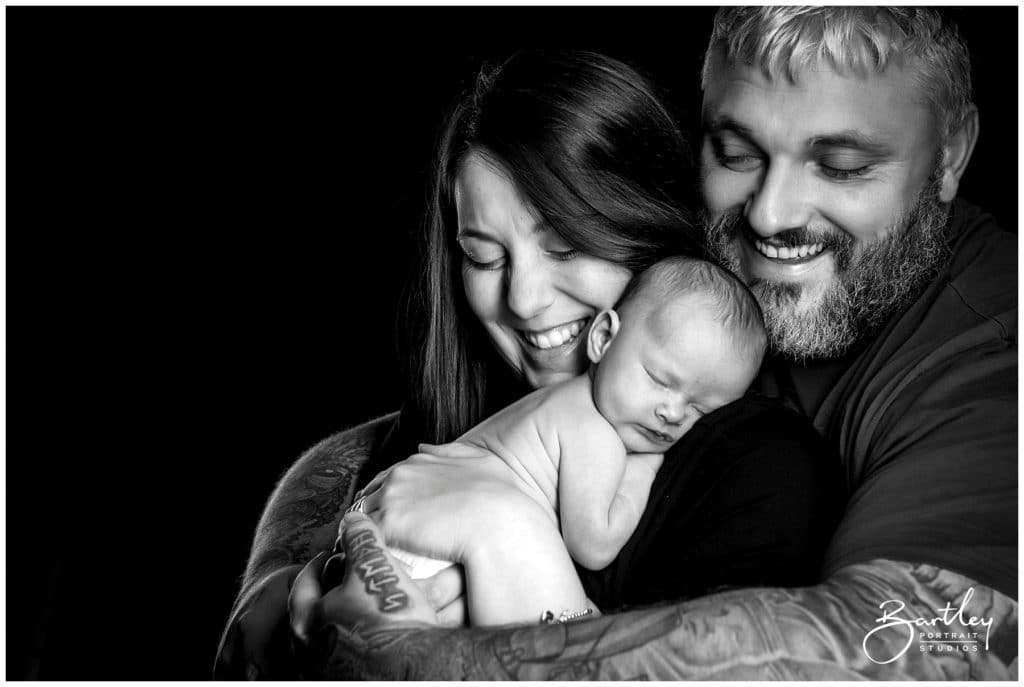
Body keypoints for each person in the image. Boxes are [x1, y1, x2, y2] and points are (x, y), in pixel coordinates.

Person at [273, 9, 1018, 679]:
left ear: (951, 154)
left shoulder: (987, 363)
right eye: (735, 151)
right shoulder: (693, 293)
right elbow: (385, 452)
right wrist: (279, 575)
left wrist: (384, 639)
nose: (769, 213)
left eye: (842, 165)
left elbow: (920, 651)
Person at [215, 47, 842, 679]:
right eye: (485, 257)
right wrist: (297, 602)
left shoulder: (758, 469)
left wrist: (500, 529)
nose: (523, 299)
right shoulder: (440, 435)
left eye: (566, 247)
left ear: (650, 229)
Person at [349, 256, 778, 626]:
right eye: (659, 380)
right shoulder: (595, 434)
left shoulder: (555, 403)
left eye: (701, 408)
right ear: (603, 338)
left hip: (392, 524)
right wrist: (644, 469)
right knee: (567, 631)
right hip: (436, 539)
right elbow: (592, 544)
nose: (673, 412)